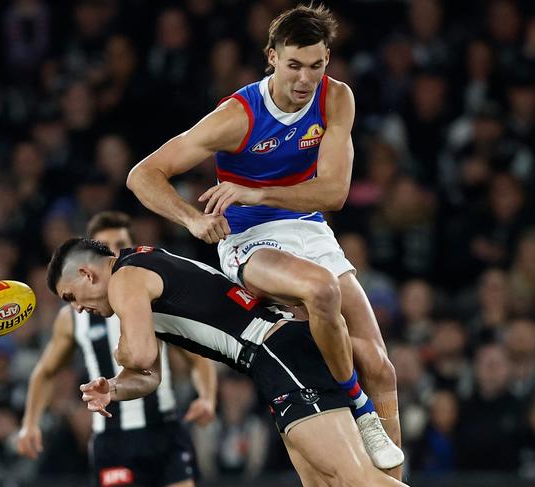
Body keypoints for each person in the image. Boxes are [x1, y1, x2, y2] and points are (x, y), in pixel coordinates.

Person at [126, 3, 402, 473]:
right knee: (320, 290)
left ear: (327, 61)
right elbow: (143, 174)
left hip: (310, 229)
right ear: (271, 57)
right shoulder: (237, 116)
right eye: (294, 65)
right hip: (252, 238)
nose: (304, 79)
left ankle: (395, 481)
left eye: (316, 66)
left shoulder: (337, 98)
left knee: (380, 364)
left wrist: (254, 189)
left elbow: (335, 193)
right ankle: (358, 406)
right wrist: (193, 220)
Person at [46, 238, 410, 487]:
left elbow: (138, 355)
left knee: (353, 479)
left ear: (86, 274)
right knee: (328, 483)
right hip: (279, 355)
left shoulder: (125, 280)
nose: (78, 308)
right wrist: (112, 387)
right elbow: (149, 375)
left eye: (71, 297)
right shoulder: (138, 269)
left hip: (275, 352)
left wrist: (119, 354)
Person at [17, 211, 217, 487]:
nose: (113, 250)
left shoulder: (151, 298)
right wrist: (30, 423)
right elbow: (46, 371)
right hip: (113, 439)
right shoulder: (73, 317)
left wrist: (207, 396)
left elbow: (196, 357)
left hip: (165, 430)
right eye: (105, 244)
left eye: (119, 242)